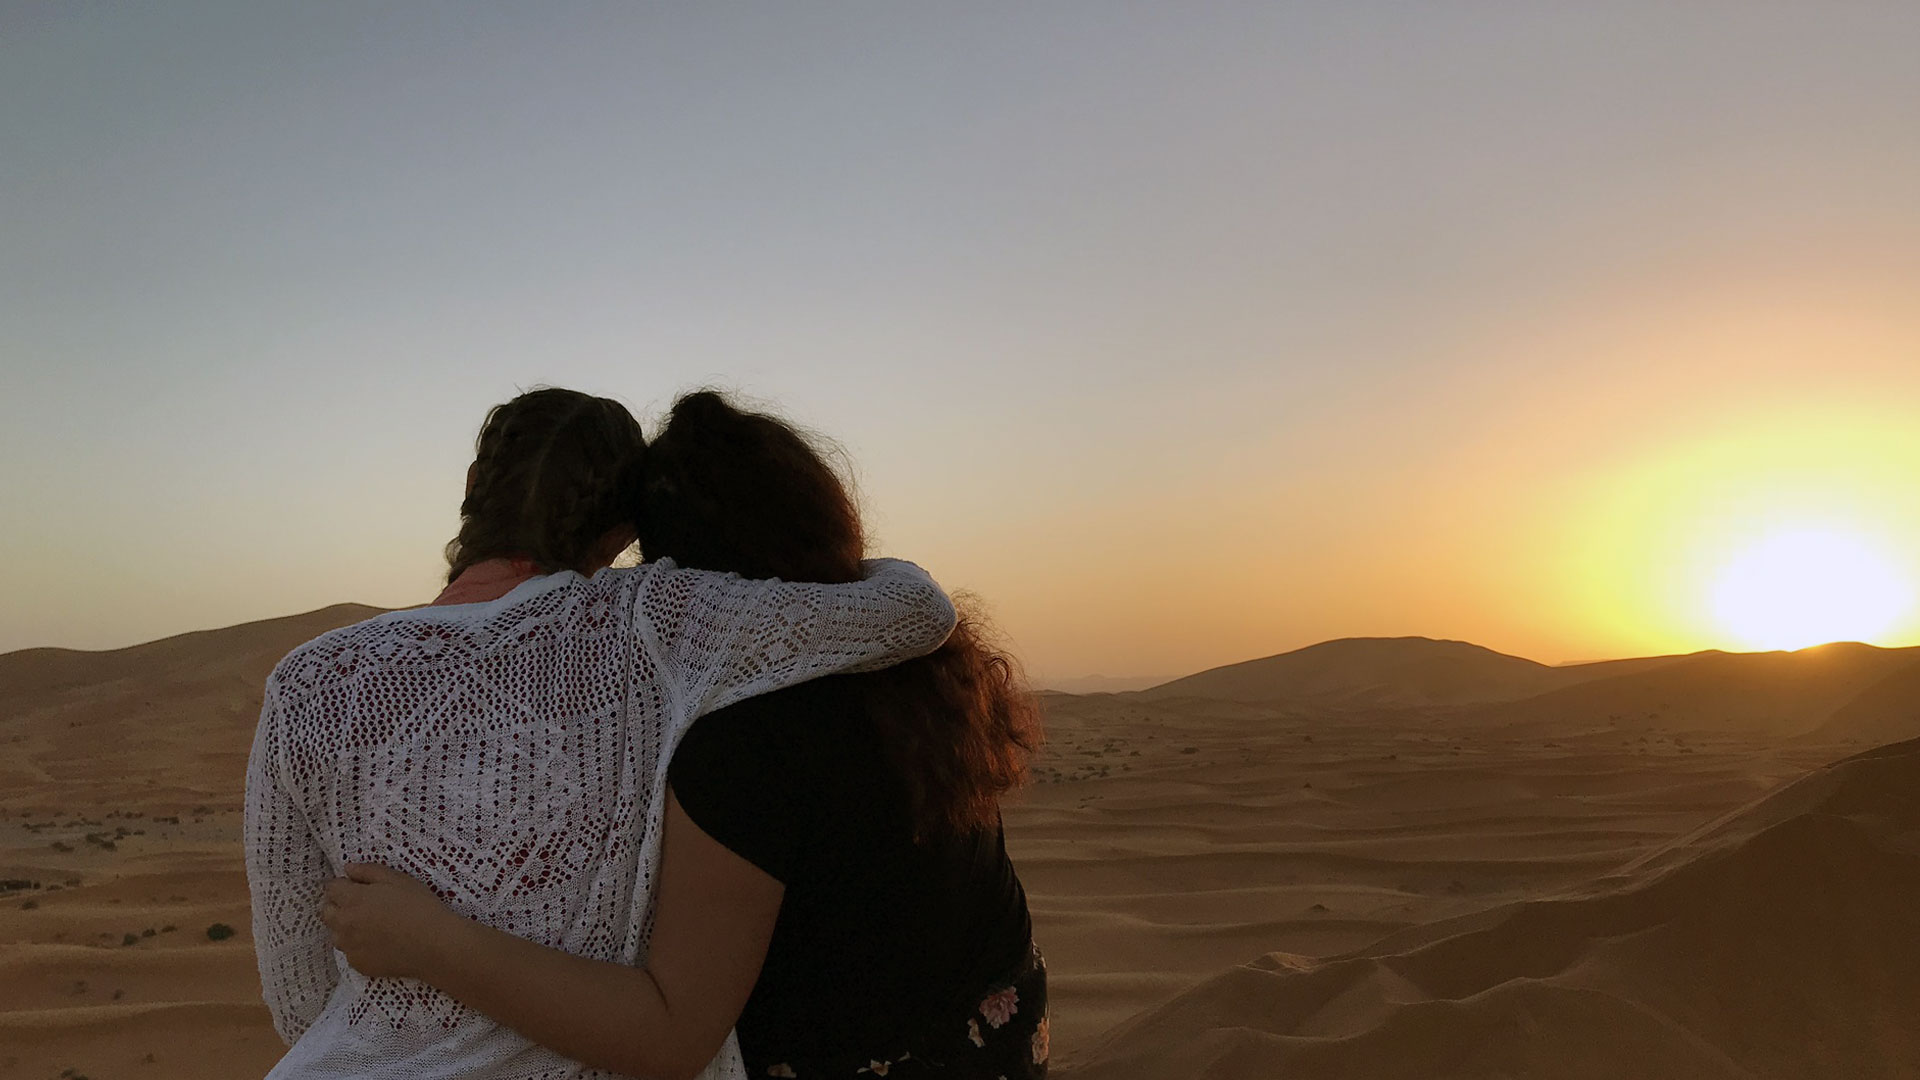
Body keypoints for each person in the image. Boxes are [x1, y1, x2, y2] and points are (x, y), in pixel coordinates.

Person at [319, 391, 1049, 1079]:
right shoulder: (916, 671)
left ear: (682, 576)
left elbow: (670, 1032)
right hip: (1002, 1045)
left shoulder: (745, 741)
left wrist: (429, 941)